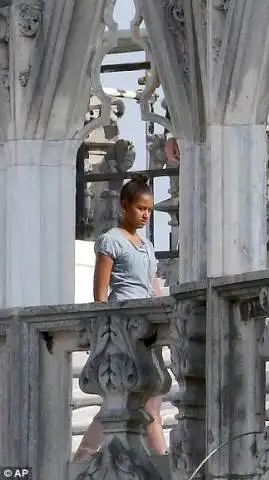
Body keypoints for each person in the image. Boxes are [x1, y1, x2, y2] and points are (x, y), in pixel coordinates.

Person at [73, 174, 167, 461]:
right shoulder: (110, 241)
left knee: (151, 405)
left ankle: (165, 464)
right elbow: (100, 295)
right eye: (140, 208)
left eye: (149, 210)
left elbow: (152, 285)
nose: (146, 215)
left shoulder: (146, 245)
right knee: (121, 404)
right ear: (124, 206)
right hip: (122, 328)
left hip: (148, 327)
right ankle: (82, 460)